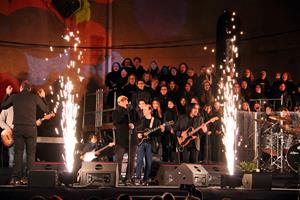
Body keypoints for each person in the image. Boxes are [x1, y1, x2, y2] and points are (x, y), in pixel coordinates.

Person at [1, 80, 49, 185]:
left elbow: (3, 106)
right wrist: (43, 97)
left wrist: (7, 94)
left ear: (21, 88)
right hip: (31, 129)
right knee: (31, 155)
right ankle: (30, 178)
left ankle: (15, 178)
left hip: (18, 128)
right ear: (30, 89)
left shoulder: (15, 97)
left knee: (18, 154)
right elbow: (46, 109)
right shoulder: (34, 97)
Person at [135, 104, 165, 185]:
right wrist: (138, 134)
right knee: (139, 160)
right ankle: (137, 178)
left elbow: (159, 135)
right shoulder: (141, 120)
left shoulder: (156, 121)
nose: (143, 111)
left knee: (149, 162)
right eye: (143, 109)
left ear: (150, 110)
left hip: (150, 143)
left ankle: (146, 179)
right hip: (141, 143)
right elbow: (136, 130)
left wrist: (162, 130)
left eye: (145, 109)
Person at [112, 95, 136, 184]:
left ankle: (128, 178)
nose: (125, 102)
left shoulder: (131, 110)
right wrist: (125, 111)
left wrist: (134, 125)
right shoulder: (116, 111)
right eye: (123, 101)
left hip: (132, 139)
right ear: (119, 103)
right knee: (119, 159)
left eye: (126, 100)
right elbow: (117, 120)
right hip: (121, 139)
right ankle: (117, 177)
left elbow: (138, 120)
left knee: (132, 160)